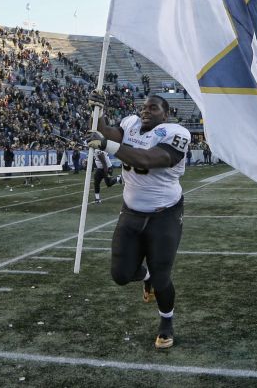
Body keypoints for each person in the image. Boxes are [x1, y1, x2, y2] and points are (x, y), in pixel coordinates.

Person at [85, 92, 191, 350]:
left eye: (153, 108)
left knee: (163, 278)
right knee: (120, 274)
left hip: (164, 214)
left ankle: (166, 323)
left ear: (166, 114)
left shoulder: (176, 134)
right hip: (131, 210)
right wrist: (98, 111)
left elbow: (147, 159)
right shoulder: (131, 123)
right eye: (144, 107)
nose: (146, 111)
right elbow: (105, 132)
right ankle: (146, 276)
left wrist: (107, 146)